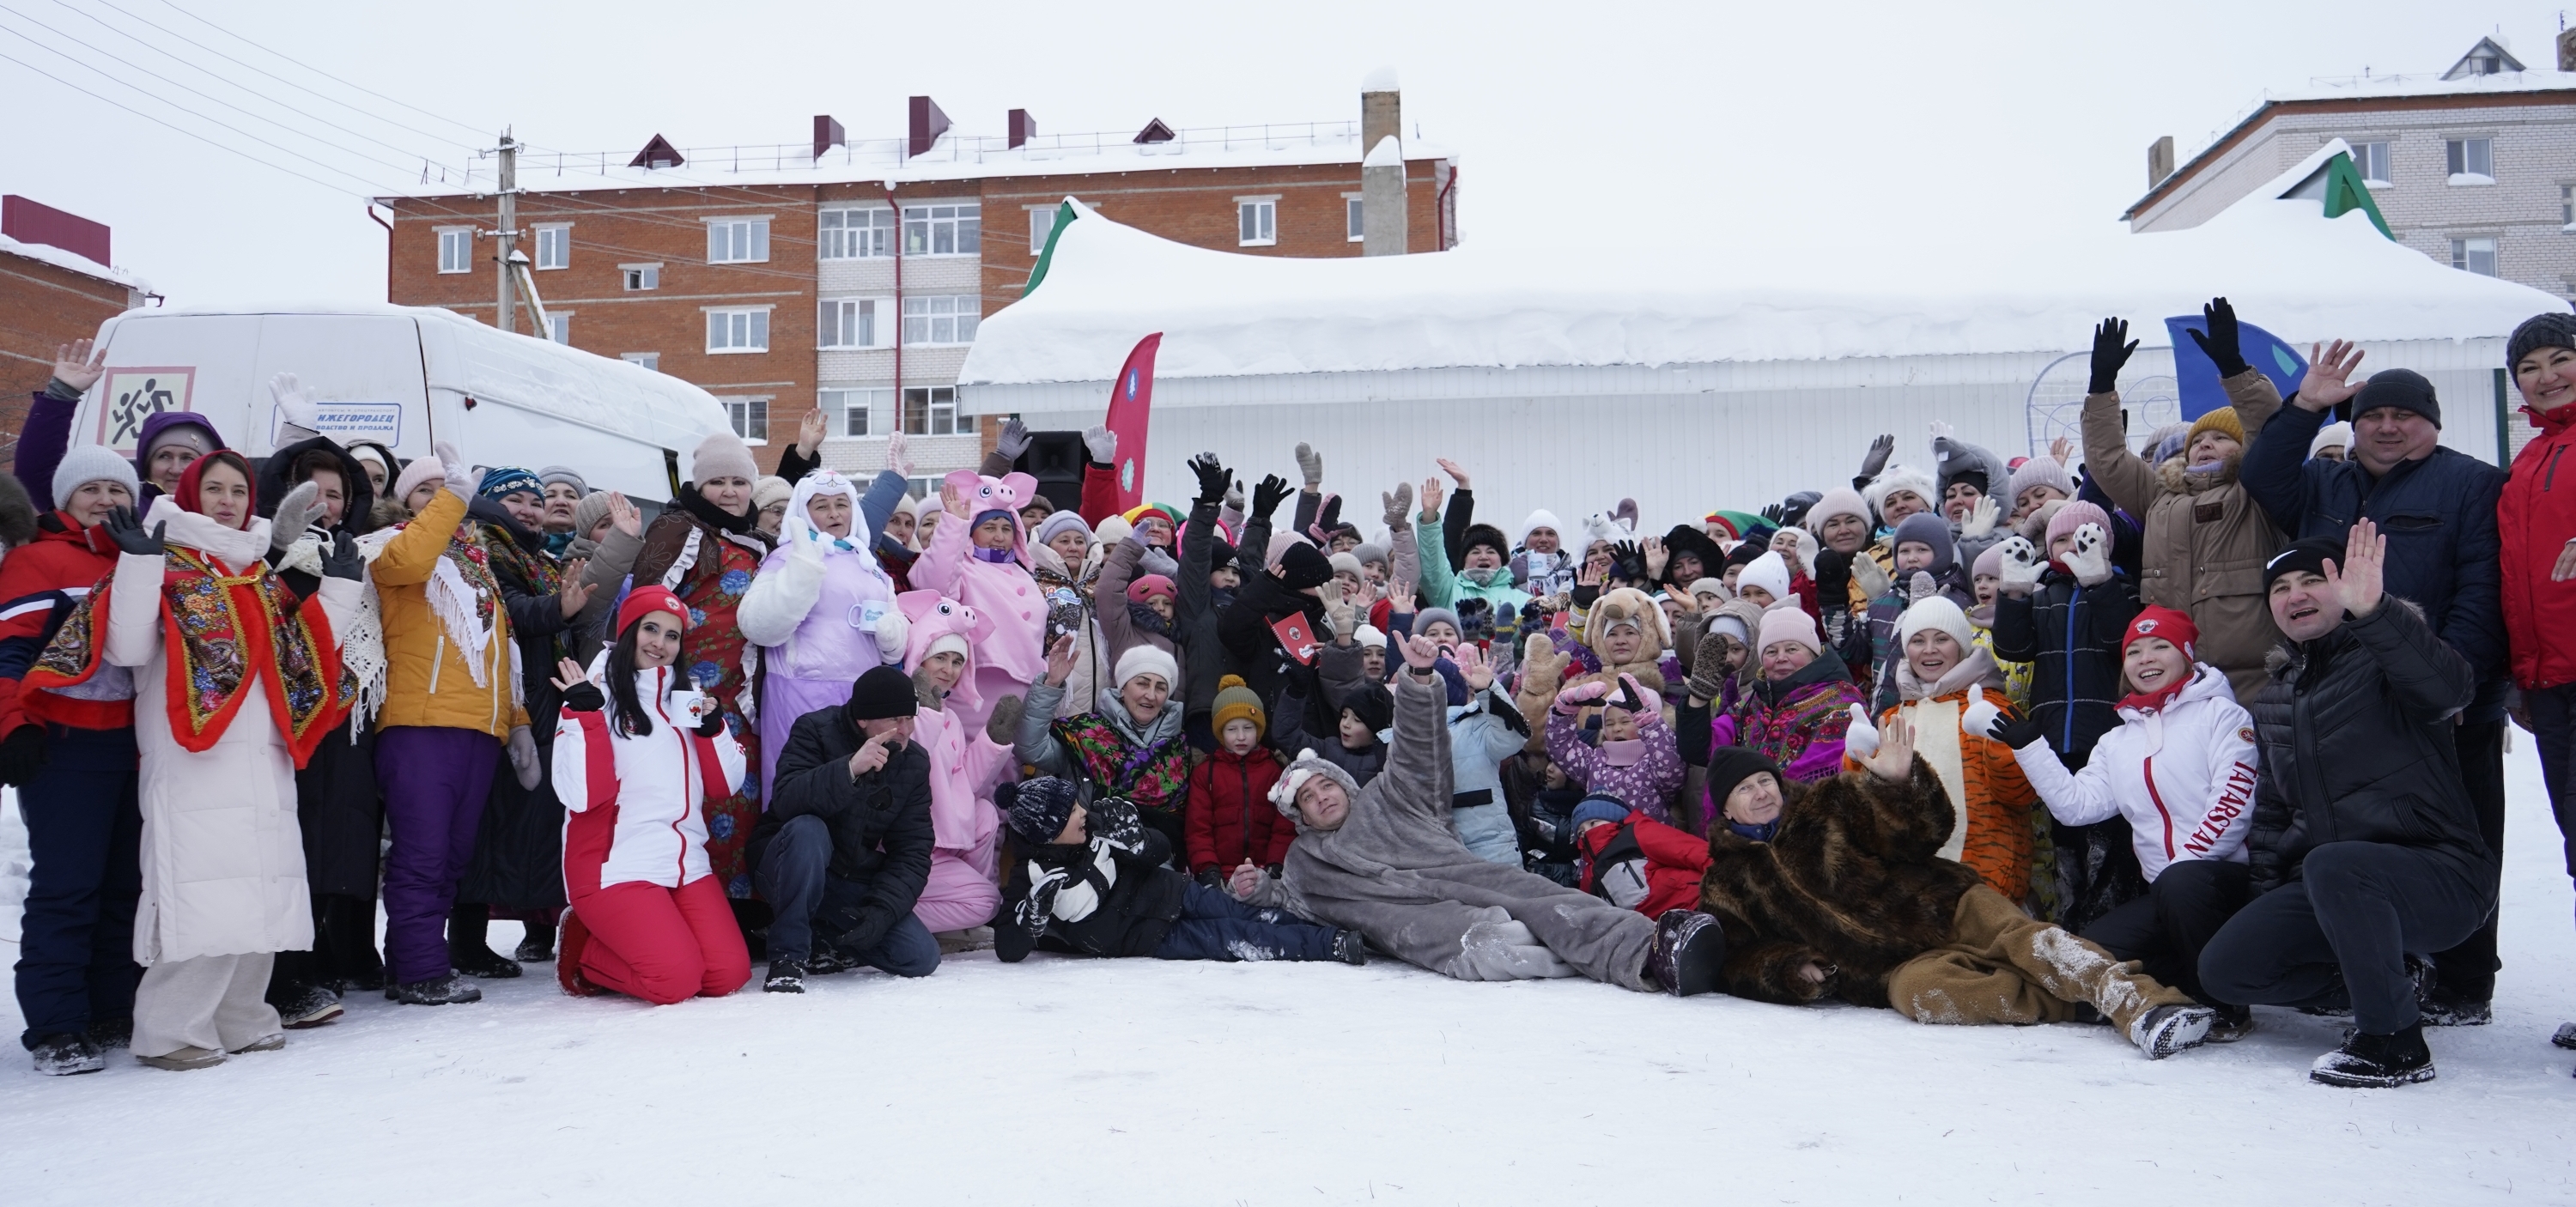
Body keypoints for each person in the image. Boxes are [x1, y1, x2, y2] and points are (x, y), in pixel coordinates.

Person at [2239, 342, 2508, 1027]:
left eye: (2404, 415)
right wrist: (2305, 405)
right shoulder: (2326, 483)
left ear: (2434, 423)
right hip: (2338, 685)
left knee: (2465, 831)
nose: (2387, 427)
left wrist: (2462, 691)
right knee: (2355, 827)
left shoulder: (2471, 483)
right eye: (2372, 416)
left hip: (2436, 689)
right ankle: (2378, 958)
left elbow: (2480, 589)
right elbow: (2264, 476)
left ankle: (2466, 980)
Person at [1234, 632, 1728, 996]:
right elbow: (1293, 902)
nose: (1320, 797)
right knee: (1506, 943)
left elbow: (1417, 750)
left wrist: (1420, 680)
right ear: (1299, 816)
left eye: (1325, 784)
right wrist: (1259, 890)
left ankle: (1651, 953)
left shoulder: (1389, 795)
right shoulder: (1304, 862)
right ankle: (1595, 954)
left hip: (1473, 876)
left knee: (1547, 902)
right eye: (1307, 799)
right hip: (1432, 930)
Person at [1692, 732, 2216, 1058]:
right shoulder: (1726, 884)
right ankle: (2083, 1007)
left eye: (1766, 780)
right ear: (1727, 810)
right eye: (1746, 789)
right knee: (1933, 997)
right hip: (1883, 969)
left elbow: (1923, 832)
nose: (1762, 793)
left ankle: (2142, 1003)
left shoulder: (1829, 804)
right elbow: (1737, 959)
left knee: (2031, 943)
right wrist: (1790, 966)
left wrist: (1899, 785)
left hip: (1943, 902)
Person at [92, 452, 363, 1068]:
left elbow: (304, 650)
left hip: (260, 752)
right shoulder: (170, 562)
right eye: (212, 488)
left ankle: (243, 1015)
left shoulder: (254, 574)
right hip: (194, 753)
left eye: (237, 490)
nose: (226, 500)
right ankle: (170, 1031)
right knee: (200, 891)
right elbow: (127, 645)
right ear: (189, 494)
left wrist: (341, 589)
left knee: (261, 890)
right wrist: (137, 564)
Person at [2199, 525, 2495, 1087]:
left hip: (2441, 876)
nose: (2296, 595)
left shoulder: (2389, 661)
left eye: (2315, 579)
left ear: (2348, 588)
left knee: (2336, 863)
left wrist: (2377, 612)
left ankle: (2394, 1042)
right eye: (2280, 588)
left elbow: (2451, 688)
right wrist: (2263, 912)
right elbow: (2271, 818)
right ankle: (2389, 981)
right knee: (2226, 969)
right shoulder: (2276, 698)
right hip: (2332, 884)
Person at [1994, 605, 2258, 1035]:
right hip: (2164, 894)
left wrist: (2181, 869)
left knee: (2182, 884)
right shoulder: (2117, 741)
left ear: (2187, 655)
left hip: (2220, 884)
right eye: (2134, 651)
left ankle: (2225, 1005)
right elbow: (2076, 806)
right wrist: (2031, 748)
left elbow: (2232, 805)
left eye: (2160, 647)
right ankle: (2177, 982)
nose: (2145, 659)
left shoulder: (2223, 717)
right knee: (2091, 953)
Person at [364, 443, 538, 1006]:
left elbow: (499, 650)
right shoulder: (392, 546)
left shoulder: (476, 568)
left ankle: (415, 963)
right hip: (420, 725)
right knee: (423, 851)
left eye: (451, 487)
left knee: (453, 857)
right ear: (404, 501)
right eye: (427, 489)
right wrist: (455, 498)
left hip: (478, 731)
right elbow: (413, 561)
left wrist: (518, 724)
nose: (441, 496)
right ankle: (417, 969)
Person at [3, 447, 141, 1074]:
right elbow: (9, 652)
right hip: (65, 746)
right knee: (68, 885)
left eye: (118, 489)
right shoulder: (38, 559)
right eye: (92, 489)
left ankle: (112, 1006)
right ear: (63, 499)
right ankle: (56, 1024)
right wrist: (13, 726)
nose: (106, 500)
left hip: (134, 747)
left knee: (124, 886)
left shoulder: (144, 560)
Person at [549, 589, 752, 1004]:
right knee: (674, 981)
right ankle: (584, 951)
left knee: (726, 974)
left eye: (672, 636)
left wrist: (712, 729)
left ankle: (650, 941)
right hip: (615, 865)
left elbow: (723, 786)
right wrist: (584, 718)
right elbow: (583, 795)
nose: (661, 643)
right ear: (628, 633)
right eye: (651, 629)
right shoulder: (594, 695)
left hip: (684, 863)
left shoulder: (685, 699)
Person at [251, 428, 389, 1026]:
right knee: (289, 848)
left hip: (347, 717)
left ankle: (327, 957)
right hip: (282, 721)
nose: (323, 502)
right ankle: (284, 975)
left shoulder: (357, 553)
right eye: (310, 489)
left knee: (337, 845)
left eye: (334, 493)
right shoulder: (263, 552)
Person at [2079, 309, 2285, 704]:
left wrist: (2234, 368)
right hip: (2175, 681)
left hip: (2253, 683)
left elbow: (2272, 430)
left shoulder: (2256, 491)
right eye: (2198, 439)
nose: (2205, 443)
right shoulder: (2159, 493)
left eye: (2221, 437)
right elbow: (2107, 460)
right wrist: (2101, 386)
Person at [447, 467, 593, 978]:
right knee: (486, 826)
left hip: (535, 703)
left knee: (516, 827)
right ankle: (464, 942)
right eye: (516, 499)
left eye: (535, 500)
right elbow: (506, 613)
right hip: (501, 704)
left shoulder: (533, 555)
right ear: (488, 503)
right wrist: (560, 607)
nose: (530, 508)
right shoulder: (482, 550)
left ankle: (484, 939)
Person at [633, 430, 775, 916]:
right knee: (697, 792)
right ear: (700, 485)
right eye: (718, 481)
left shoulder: (756, 539)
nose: (730, 491)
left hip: (744, 694)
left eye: (740, 481)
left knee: (742, 794)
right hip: (689, 689)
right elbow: (647, 605)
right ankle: (696, 903)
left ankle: (743, 907)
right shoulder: (679, 529)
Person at [997, 780, 1363, 965]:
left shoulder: (1094, 824)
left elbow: (1162, 848)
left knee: (1249, 914)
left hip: (1174, 891)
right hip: (1148, 937)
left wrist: (1138, 843)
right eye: (1070, 812)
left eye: (1078, 803)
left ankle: (1336, 932)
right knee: (1235, 936)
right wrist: (1032, 920)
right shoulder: (1031, 878)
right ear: (1047, 832)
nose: (1081, 812)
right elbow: (1007, 948)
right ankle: (1330, 946)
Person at [1992, 501, 2145, 931]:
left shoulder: (2122, 589)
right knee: (2065, 835)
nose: (2072, 546)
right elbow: (2012, 648)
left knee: (2108, 836)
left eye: (2085, 537)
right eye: (2060, 539)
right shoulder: (2045, 596)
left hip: (2105, 733)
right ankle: (2073, 918)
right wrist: (2015, 595)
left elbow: (2123, 640)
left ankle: (2111, 921)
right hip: (2055, 732)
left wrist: (2100, 584)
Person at [749, 664, 939, 992]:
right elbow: (786, 801)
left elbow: (913, 848)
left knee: (920, 956)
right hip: (787, 862)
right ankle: (788, 956)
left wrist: (882, 911)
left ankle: (824, 941)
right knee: (809, 830)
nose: (906, 729)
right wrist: (850, 769)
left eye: (911, 718)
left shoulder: (914, 761)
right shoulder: (815, 729)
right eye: (896, 720)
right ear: (864, 719)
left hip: (845, 876)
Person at [2497, 311, 2576, 1068]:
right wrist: (2524, 675)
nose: (2547, 376)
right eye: (2531, 367)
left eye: (2561, 359)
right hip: (2552, 684)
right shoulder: (2531, 459)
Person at [1843, 595, 2035, 904]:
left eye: (1941, 639)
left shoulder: (1991, 707)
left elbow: (2020, 794)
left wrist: (2003, 745)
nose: (1929, 650)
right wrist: (1857, 760)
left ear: (1960, 645)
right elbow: (1867, 810)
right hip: (1910, 888)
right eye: (1918, 640)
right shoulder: (1893, 718)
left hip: (1982, 879)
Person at [738, 469, 909, 806]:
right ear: (804, 513)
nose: (834, 514)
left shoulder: (869, 565)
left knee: (861, 793)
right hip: (800, 693)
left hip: (862, 698)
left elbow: (894, 646)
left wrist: (893, 635)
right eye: (822, 506)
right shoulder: (787, 557)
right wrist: (802, 571)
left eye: (842, 504)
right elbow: (759, 626)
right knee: (802, 789)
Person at [895, 589, 1014, 942]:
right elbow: (907, 765)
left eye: (958, 661)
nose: (949, 670)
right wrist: (926, 715)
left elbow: (963, 784)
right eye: (940, 659)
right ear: (919, 658)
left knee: (985, 814)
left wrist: (993, 742)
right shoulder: (899, 706)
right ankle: (882, 915)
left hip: (941, 837)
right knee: (987, 901)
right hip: (910, 842)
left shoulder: (950, 717)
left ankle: (955, 918)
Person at [1018, 636, 1193, 857]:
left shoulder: (1179, 749)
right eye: (1142, 683)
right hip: (1087, 858)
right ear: (1122, 688)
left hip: (1156, 866)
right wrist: (1051, 685)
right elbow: (1030, 747)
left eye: (1160, 687)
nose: (1151, 695)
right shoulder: (1087, 734)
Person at [906, 469, 1048, 734]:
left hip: (1025, 687)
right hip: (977, 685)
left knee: (1014, 766)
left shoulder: (1026, 574)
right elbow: (936, 584)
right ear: (972, 531)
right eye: (990, 527)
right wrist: (953, 527)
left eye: (1006, 528)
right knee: (976, 764)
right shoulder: (963, 566)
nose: (999, 536)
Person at [1702, 609, 1862, 784]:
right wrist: (1696, 699)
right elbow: (1704, 746)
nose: (1781, 658)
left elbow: (1825, 771)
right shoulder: (1752, 702)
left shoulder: (1842, 699)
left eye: (1792, 649)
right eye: (1771, 652)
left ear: (1813, 654)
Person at [1184, 676, 1293, 881]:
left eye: (1248, 728)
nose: (1241, 737)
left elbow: (1284, 827)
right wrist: (1208, 870)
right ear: (1220, 733)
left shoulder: (1275, 771)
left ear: (1259, 730)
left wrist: (1276, 866)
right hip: (1219, 874)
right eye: (1232, 729)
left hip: (1265, 873)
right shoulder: (1205, 774)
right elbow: (1198, 829)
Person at [1546, 673, 1683, 825]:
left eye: (1626, 721)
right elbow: (1562, 748)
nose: (1616, 728)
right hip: (1601, 845)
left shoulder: (1655, 764)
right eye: (1609, 724)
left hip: (1645, 845)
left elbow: (1671, 767)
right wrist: (1564, 710)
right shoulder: (1595, 761)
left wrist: (1651, 724)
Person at [1571, 796, 1710, 919]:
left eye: (1593, 823)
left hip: (1696, 904)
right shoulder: (1589, 876)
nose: (1587, 833)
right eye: (1580, 831)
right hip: (1656, 933)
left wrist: (1725, 882)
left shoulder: (1636, 833)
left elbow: (1692, 851)